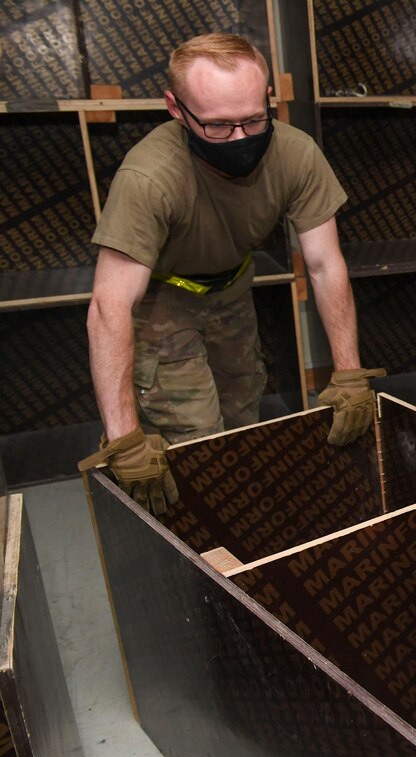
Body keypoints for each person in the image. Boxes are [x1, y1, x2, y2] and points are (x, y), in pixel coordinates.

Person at [78, 33, 383, 515]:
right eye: (219, 126)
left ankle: (233, 526)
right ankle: (192, 543)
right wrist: (124, 439)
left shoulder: (296, 154)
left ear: (267, 98)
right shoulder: (149, 177)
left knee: (244, 420)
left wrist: (349, 373)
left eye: (255, 119)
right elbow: (108, 306)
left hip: (233, 290)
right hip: (162, 300)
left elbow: (324, 264)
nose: (241, 139)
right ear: (177, 109)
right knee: (194, 440)